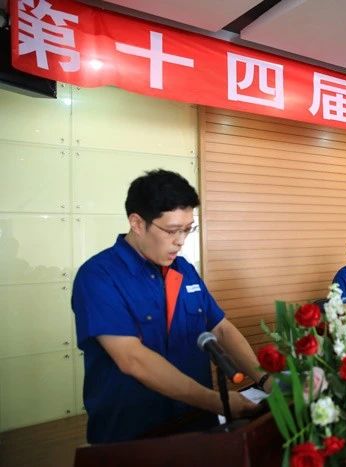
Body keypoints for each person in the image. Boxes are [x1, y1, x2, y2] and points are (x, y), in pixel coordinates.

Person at [72, 170, 269, 444]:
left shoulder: (183, 270)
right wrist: (217, 401)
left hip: (196, 423)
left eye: (188, 229)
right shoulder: (98, 276)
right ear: (137, 223)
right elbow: (132, 358)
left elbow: (221, 329)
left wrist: (265, 379)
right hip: (134, 433)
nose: (181, 240)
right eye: (172, 230)